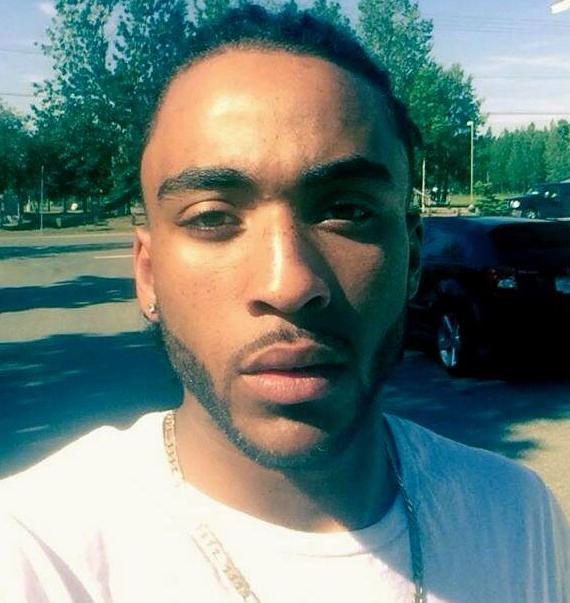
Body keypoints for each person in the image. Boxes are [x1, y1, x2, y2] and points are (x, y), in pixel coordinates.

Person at [1, 5, 568, 603]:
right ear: (148, 275)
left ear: (412, 259)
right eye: (212, 217)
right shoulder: (35, 553)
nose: (289, 284)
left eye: (346, 211)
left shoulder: (515, 515)